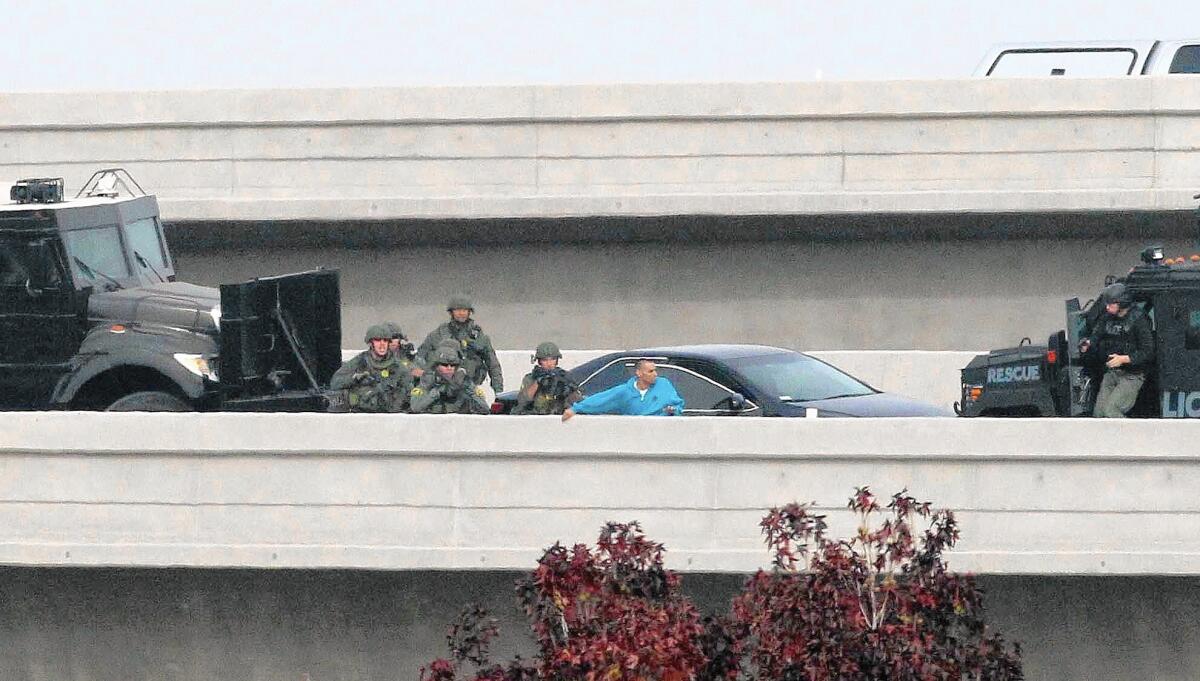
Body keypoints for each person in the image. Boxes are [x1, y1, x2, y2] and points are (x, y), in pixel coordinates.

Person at [1080, 283, 1153, 418]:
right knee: (1099, 414)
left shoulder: (1138, 320)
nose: (1107, 307)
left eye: (1111, 304)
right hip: (1111, 373)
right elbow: (1096, 336)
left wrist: (1124, 359)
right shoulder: (1107, 318)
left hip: (1132, 375)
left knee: (1111, 410)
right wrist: (1088, 344)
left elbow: (1147, 351)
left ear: (1122, 303)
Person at [416, 296, 503, 394]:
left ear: (469, 312)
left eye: (464, 310)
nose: (461, 313)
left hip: (469, 386)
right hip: (441, 387)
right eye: (458, 310)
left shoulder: (479, 337)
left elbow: (493, 364)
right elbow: (421, 356)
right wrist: (426, 376)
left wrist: (498, 392)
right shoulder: (439, 334)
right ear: (451, 312)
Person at [561, 359, 684, 422]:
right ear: (639, 373)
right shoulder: (625, 391)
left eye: (655, 370)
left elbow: (676, 404)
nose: (655, 374)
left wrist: (673, 410)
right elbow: (603, 399)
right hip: (634, 433)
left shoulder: (664, 385)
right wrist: (576, 409)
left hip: (659, 433)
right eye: (650, 371)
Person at [330, 324, 414, 413]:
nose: (382, 344)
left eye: (385, 341)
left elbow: (409, 393)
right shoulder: (360, 361)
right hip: (360, 413)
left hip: (390, 415)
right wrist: (354, 378)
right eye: (378, 340)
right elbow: (335, 382)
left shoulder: (398, 367)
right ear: (371, 343)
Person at [409, 340, 490, 414]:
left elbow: (485, 408)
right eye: (444, 365)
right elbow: (415, 407)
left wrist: (467, 389)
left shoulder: (464, 381)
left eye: (453, 365)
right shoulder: (428, 380)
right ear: (437, 366)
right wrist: (437, 391)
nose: (449, 368)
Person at [513, 341, 582, 415]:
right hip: (536, 414)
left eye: (552, 359)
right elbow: (523, 400)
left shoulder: (564, 376)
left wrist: (569, 388)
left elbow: (578, 402)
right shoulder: (531, 378)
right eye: (545, 360)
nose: (549, 363)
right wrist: (538, 382)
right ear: (539, 361)